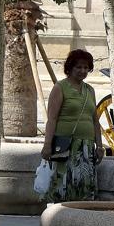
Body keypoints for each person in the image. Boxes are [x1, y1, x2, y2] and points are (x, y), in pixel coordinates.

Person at [40, 49, 101, 202]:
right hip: (66, 146)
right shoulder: (60, 88)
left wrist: (99, 146)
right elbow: (52, 119)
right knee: (62, 186)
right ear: (70, 67)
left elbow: (95, 121)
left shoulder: (90, 90)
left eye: (86, 68)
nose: (83, 71)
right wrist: (47, 145)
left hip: (86, 147)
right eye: (79, 67)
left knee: (84, 187)